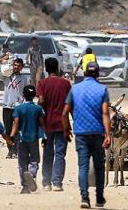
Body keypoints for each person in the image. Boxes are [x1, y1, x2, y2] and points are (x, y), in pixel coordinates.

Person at [62, 62, 112, 209]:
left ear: (84, 73)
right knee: (99, 166)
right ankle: (99, 197)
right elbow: (105, 113)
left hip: (81, 134)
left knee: (83, 166)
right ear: (97, 74)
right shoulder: (102, 89)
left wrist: (66, 129)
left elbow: (64, 113)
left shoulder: (75, 89)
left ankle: (84, 197)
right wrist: (108, 135)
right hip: (97, 134)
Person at [36, 57, 70, 191]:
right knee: (60, 153)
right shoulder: (66, 84)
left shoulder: (42, 84)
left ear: (46, 69)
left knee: (47, 152)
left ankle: (46, 183)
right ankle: (57, 183)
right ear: (57, 68)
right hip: (62, 123)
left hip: (47, 124)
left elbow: (41, 101)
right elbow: (69, 104)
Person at [10, 85, 45, 193]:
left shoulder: (18, 108)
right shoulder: (38, 109)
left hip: (21, 138)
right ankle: (32, 174)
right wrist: (44, 136)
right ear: (34, 95)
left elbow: (16, 123)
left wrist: (11, 136)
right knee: (34, 160)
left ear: (23, 95)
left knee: (22, 162)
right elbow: (42, 124)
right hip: (34, 138)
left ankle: (25, 186)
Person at [1, 58, 29, 159]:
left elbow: (27, 93)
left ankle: (15, 150)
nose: (16, 67)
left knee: (17, 130)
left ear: (22, 67)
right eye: (15, 65)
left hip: (18, 107)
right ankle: (10, 150)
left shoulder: (25, 79)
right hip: (7, 107)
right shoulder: (6, 76)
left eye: (18, 66)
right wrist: (0, 61)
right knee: (8, 130)